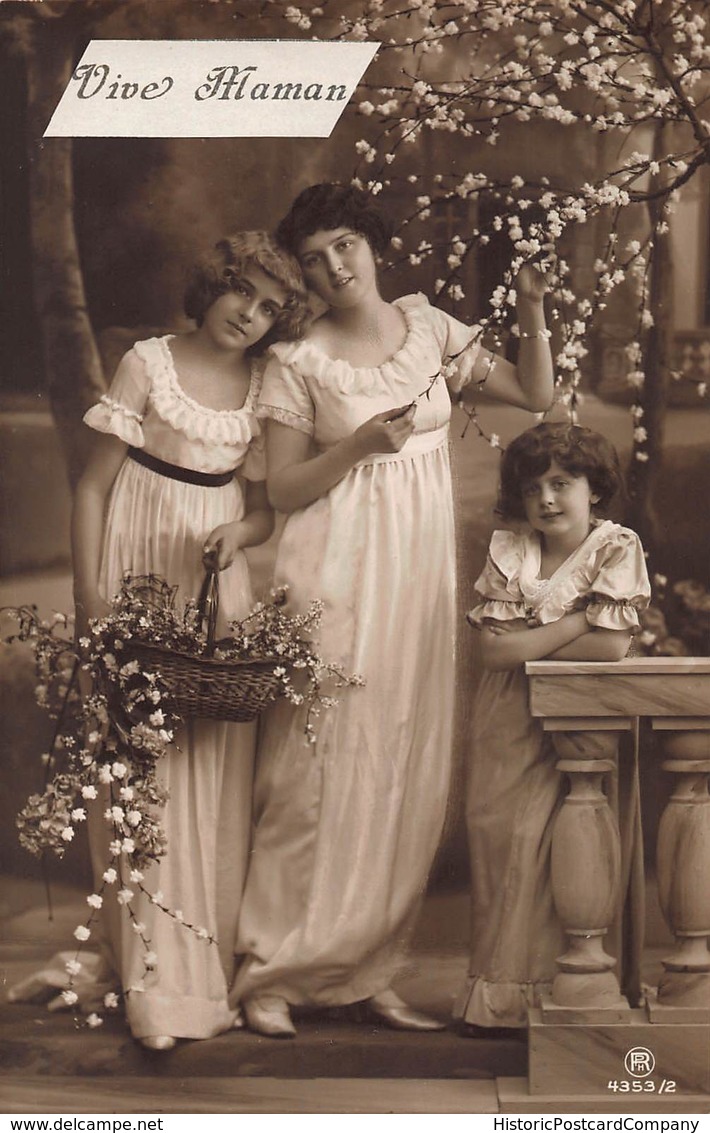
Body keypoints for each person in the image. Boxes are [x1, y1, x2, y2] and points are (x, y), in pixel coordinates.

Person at [229, 182, 555, 1038]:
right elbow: (286, 487)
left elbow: (537, 393)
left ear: (370, 243)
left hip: (414, 576)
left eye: (345, 245)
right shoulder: (298, 359)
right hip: (329, 568)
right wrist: (360, 445)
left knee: (400, 764)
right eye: (313, 258)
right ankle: (274, 967)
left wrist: (529, 306)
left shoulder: (431, 327)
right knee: (311, 770)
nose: (335, 267)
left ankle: (366, 967)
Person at [71, 232, 306, 1050]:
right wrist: (92, 603)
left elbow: (265, 510)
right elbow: (95, 485)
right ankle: (146, 976)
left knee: (208, 768)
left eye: (272, 307)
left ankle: (197, 970)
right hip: (135, 560)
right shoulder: (148, 362)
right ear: (212, 284)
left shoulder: (264, 382)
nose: (251, 313)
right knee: (138, 769)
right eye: (242, 290)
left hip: (212, 581)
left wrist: (237, 535)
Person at [454, 422, 651, 1032]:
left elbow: (612, 649)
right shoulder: (510, 549)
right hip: (506, 713)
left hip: (581, 715)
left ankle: (568, 991)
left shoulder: (616, 547)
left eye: (562, 483)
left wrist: (532, 638)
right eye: (533, 486)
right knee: (501, 842)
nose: (546, 499)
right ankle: (504, 999)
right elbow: (493, 655)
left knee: (572, 848)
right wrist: (575, 625)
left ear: (593, 490)